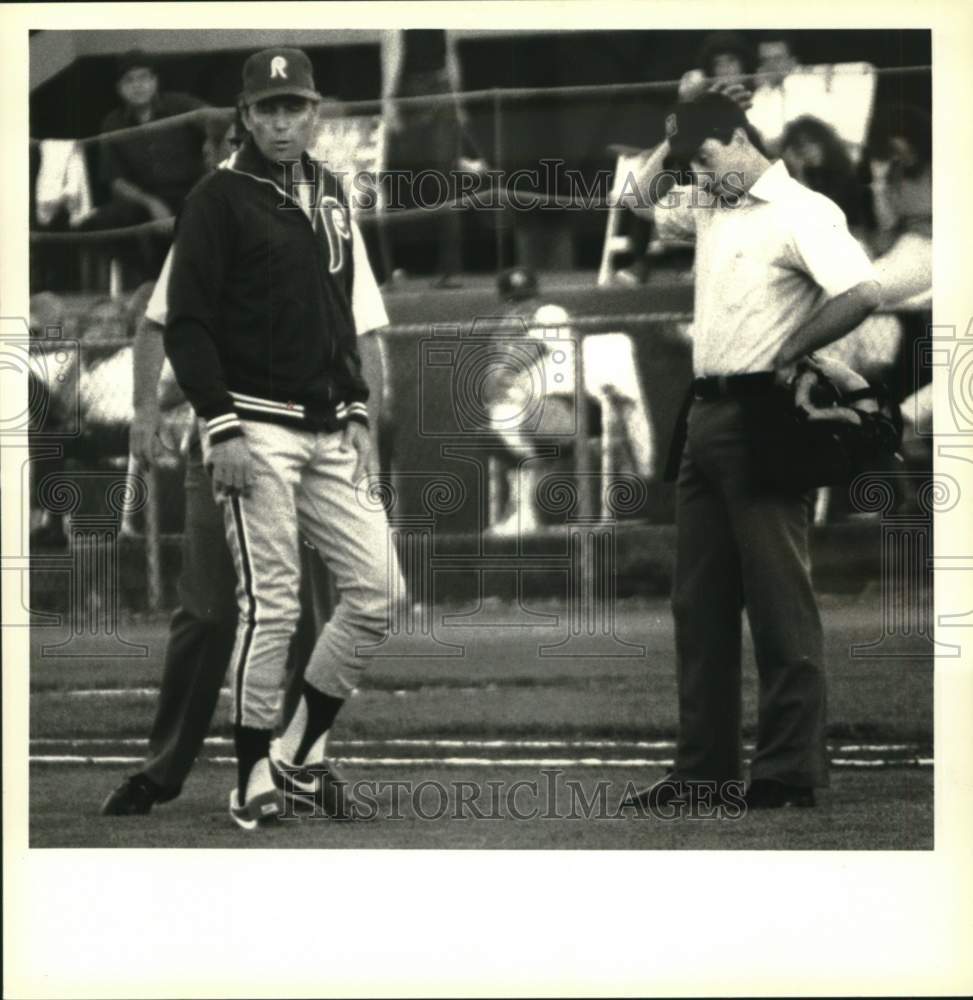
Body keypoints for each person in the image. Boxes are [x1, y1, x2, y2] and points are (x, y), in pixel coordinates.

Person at [622, 85, 881, 809]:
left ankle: (786, 770)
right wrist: (675, 135)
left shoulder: (801, 210)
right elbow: (640, 199)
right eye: (691, 162)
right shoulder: (713, 201)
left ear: (739, 139)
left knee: (777, 598)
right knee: (696, 603)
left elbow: (862, 292)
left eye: (704, 156)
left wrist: (789, 352)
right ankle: (701, 770)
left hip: (764, 411)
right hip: (705, 412)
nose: (697, 173)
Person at [163, 47, 400, 830]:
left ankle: (297, 752)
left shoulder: (332, 193)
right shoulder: (218, 196)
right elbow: (186, 324)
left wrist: (360, 406)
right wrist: (218, 425)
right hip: (253, 427)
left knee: (378, 592)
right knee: (272, 605)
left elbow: (340, 314)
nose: (280, 120)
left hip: (330, 426)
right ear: (245, 114)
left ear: (315, 111)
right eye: (266, 107)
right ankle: (249, 778)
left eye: (293, 105)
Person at [78, 49, 211, 288]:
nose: (138, 85)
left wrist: (212, 155)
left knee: (216, 210)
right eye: (129, 80)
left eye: (144, 78)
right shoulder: (113, 122)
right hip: (146, 199)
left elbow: (219, 124)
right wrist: (151, 204)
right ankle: (146, 280)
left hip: (191, 192)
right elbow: (115, 179)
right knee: (104, 220)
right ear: (119, 88)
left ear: (155, 81)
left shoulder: (180, 105)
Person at [381, 29, 478, 288]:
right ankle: (425, 268)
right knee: (431, 182)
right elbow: (448, 58)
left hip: (424, 92)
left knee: (432, 182)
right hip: (422, 92)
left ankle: (441, 268)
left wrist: (389, 102)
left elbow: (447, 56)